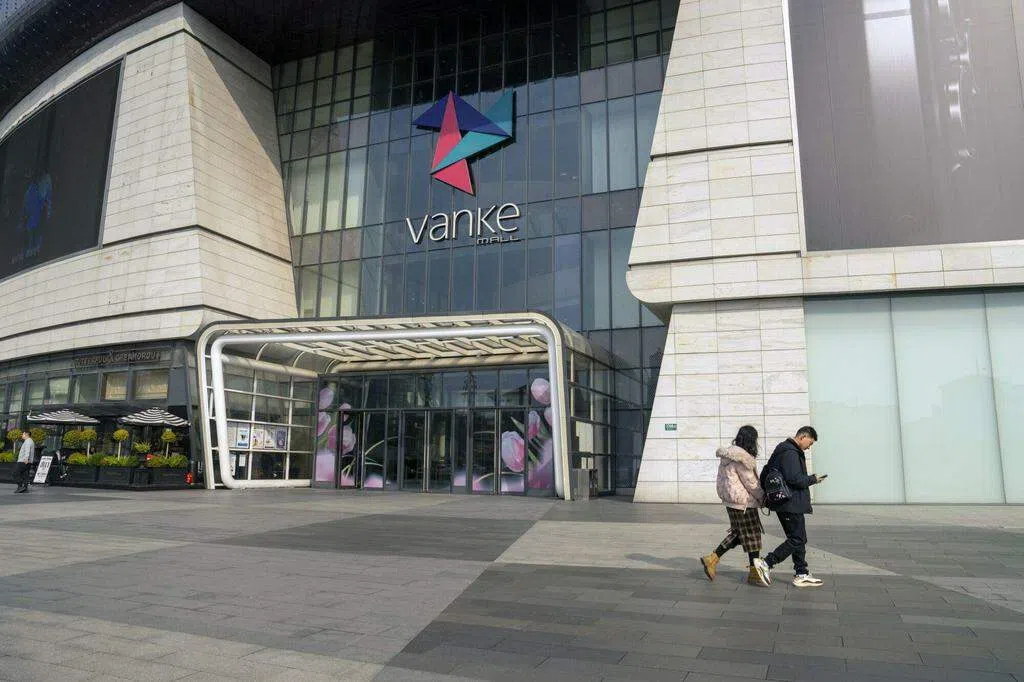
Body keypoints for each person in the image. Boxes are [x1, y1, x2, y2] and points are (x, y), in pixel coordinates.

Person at [700, 425, 771, 587]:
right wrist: (763, 498)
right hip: (744, 502)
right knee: (752, 535)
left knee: (740, 534)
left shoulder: (727, 455)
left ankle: (713, 559)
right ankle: (753, 572)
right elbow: (751, 483)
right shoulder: (742, 458)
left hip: (731, 502)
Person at [761, 426, 828, 587]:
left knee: (798, 538)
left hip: (787, 503)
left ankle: (801, 573)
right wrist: (813, 479)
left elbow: (766, 473)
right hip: (790, 503)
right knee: (798, 539)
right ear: (803, 437)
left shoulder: (783, 450)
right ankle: (767, 562)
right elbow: (795, 479)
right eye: (810, 443)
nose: (809, 447)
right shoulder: (790, 452)